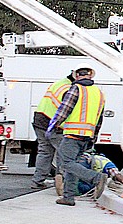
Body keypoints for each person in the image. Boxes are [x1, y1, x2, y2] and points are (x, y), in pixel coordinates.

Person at [46, 63, 107, 206]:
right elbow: (99, 118)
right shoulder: (99, 93)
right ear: (91, 75)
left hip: (73, 134)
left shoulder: (76, 89)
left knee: (66, 163)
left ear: (76, 75)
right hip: (87, 136)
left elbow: (64, 110)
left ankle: (96, 178)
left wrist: (52, 127)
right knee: (73, 165)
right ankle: (68, 197)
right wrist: (94, 137)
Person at [30, 72, 75, 190]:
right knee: (63, 153)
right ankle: (62, 183)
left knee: (45, 152)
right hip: (53, 124)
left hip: (40, 119)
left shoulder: (60, 84)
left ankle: (37, 181)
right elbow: (65, 112)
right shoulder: (69, 89)